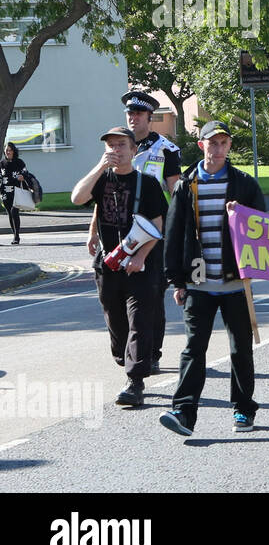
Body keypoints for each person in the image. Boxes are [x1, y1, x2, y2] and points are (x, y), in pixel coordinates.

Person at [158, 121, 267, 436]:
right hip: (198, 282)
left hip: (235, 282)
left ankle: (244, 410)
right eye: (212, 142)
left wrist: (241, 217)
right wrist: (176, 281)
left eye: (224, 143)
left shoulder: (244, 184)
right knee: (194, 348)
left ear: (229, 147)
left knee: (240, 349)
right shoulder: (186, 185)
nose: (218, 148)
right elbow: (173, 233)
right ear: (201, 145)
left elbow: (265, 229)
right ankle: (183, 413)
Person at [70, 126, 167, 408]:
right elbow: (78, 198)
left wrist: (141, 257)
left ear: (133, 150)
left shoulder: (146, 184)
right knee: (115, 320)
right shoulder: (101, 179)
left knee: (139, 320)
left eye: (121, 145)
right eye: (111, 146)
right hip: (108, 263)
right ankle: (128, 362)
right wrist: (99, 167)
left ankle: (135, 381)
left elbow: (158, 226)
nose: (115, 150)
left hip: (140, 265)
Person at [99, 91, 181, 376]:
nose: (133, 118)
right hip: (120, 229)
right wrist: (91, 232)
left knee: (152, 295)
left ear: (149, 117)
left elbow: (175, 191)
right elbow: (103, 194)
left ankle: (151, 353)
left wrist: (179, 227)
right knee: (116, 300)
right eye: (129, 114)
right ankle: (130, 352)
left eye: (138, 114)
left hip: (152, 231)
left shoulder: (166, 149)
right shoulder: (118, 145)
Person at [2, 142, 27, 244]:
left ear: (14, 151)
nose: (8, 152)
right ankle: (14, 235)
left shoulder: (19, 162)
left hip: (16, 191)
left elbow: (26, 172)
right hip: (5, 192)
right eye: (7, 150)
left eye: (10, 150)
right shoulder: (2, 163)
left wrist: (23, 176)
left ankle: (17, 236)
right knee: (9, 213)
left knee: (14, 212)